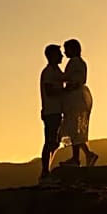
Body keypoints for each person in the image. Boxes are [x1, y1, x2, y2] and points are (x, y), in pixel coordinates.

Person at [59, 38, 98, 167]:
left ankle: (76, 158)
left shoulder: (74, 62)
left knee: (74, 127)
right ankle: (87, 154)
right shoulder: (81, 62)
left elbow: (72, 79)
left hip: (75, 97)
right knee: (77, 128)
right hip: (80, 96)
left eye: (67, 49)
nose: (65, 53)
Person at [39, 43, 65, 182]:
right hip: (51, 111)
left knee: (55, 142)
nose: (62, 56)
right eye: (59, 53)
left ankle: (46, 171)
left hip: (56, 111)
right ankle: (45, 173)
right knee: (50, 141)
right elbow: (49, 91)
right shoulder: (49, 72)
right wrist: (65, 90)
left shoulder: (56, 70)